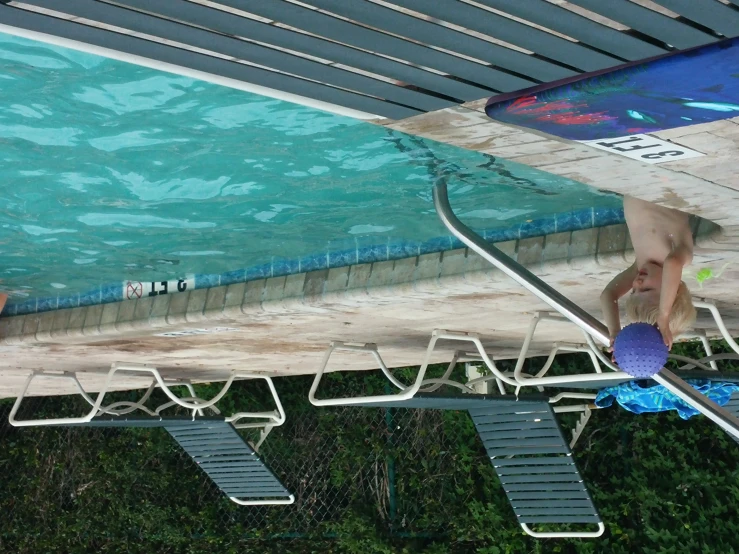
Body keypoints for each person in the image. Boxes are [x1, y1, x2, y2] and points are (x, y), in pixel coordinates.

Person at [600, 196, 696, 350]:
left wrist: (615, 332)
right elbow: (673, 264)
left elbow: (608, 294)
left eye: (633, 291)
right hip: (661, 189)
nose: (637, 282)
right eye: (646, 289)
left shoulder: (640, 267)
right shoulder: (679, 256)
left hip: (634, 188)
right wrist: (663, 316)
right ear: (673, 289)